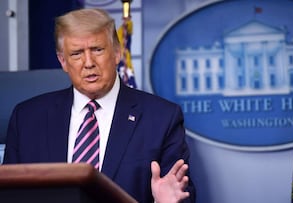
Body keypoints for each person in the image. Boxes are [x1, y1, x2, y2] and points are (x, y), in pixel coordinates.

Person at [3, 8, 195, 203]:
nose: (88, 63)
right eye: (77, 53)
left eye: (97, 50)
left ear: (117, 53)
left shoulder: (161, 118)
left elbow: (181, 196)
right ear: (63, 61)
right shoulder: (27, 119)